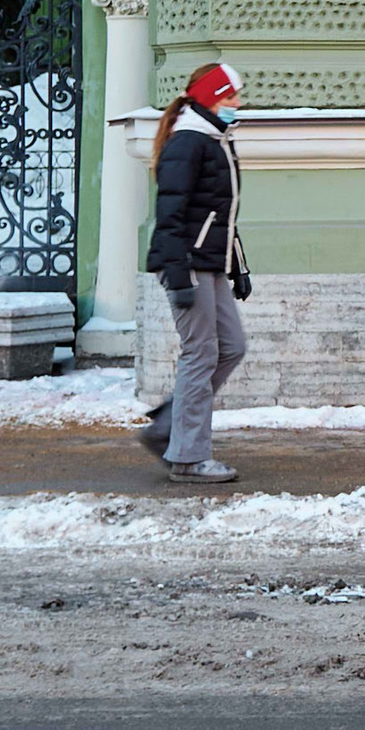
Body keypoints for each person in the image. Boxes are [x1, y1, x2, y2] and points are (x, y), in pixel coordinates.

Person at [136, 63, 253, 483]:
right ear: (211, 99)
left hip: (212, 263)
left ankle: (170, 424)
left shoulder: (215, 138)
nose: (237, 105)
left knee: (231, 347)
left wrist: (237, 265)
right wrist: (178, 273)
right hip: (188, 264)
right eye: (231, 97)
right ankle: (187, 457)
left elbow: (222, 216)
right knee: (201, 352)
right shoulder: (189, 141)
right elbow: (170, 216)